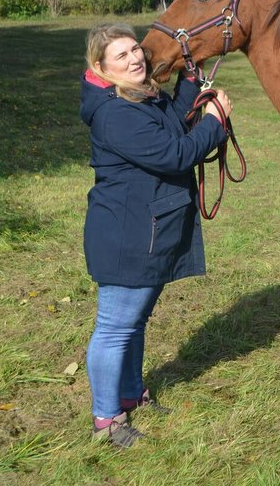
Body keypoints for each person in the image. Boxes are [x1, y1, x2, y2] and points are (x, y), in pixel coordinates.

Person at [79, 23, 233, 449]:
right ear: (100, 67)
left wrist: (190, 81)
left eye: (135, 51)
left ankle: (130, 394)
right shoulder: (114, 112)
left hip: (145, 228)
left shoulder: (139, 94)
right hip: (126, 236)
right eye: (122, 57)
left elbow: (174, 126)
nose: (135, 60)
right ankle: (107, 420)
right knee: (114, 327)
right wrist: (216, 122)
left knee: (134, 321)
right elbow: (175, 153)